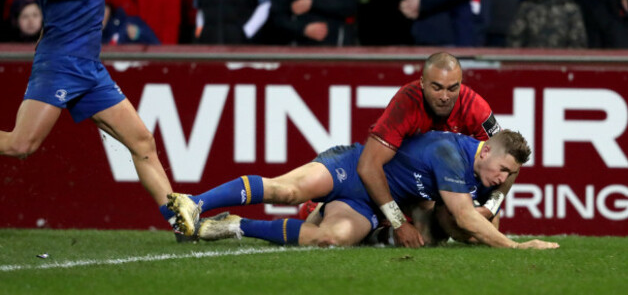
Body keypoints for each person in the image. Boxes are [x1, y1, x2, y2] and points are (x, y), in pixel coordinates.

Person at [0, 0, 176, 234]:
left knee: (143, 142)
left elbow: (65, 3)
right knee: (21, 144)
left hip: (90, 68)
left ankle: (180, 220)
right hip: (62, 65)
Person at [166, 129, 559, 250]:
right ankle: (195, 202)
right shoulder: (450, 154)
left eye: (509, 173)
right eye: (502, 169)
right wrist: (515, 247)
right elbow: (465, 216)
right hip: (351, 168)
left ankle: (234, 226)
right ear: (486, 150)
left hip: (372, 202)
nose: (502, 177)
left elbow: (489, 202)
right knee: (287, 192)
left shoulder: (491, 168)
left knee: (329, 241)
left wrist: (500, 191)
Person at [352, 52, 508, 248]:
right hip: (402, 183)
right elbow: (370, 165)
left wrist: (490, 208)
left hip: (443, 187)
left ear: (461, 84)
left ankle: (384, 233)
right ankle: (375, 231)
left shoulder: (475, 108)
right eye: (437, 87)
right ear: (422, 83)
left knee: (482, 233)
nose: (444, 97)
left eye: (452, 88)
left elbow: (510, 162)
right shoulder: (407, 103)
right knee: (425, 237)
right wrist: (398, 221)